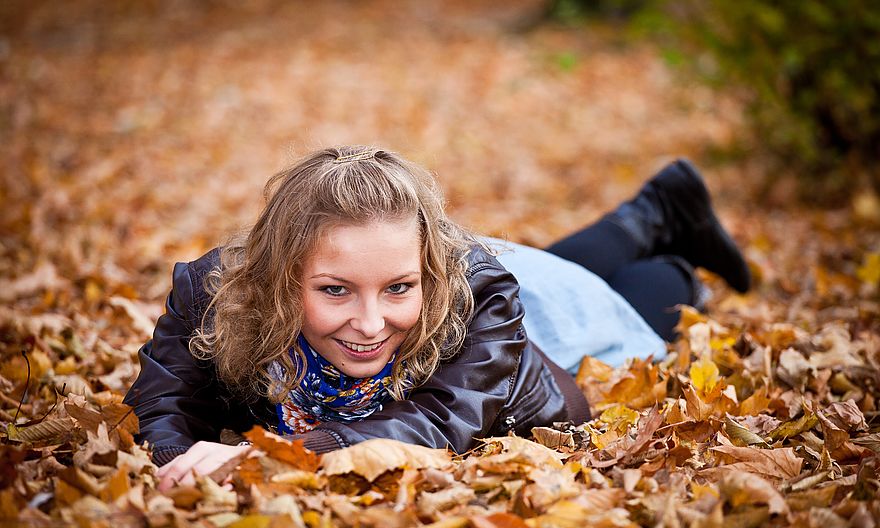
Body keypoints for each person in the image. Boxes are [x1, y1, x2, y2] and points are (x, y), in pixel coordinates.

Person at [123, 146, 750, 490]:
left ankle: (676, 250)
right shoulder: (221, 289)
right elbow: (166, 400)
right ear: (279, 277)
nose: (368, 323)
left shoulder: (479, 297)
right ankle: (657, 208)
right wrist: (179, 465)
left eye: (396, 287)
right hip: (445, 302)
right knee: (551, 271)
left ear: (430, 268)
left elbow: (439, 419)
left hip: (541, 345)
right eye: (335, 290)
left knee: (641, 296)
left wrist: (277, 456)